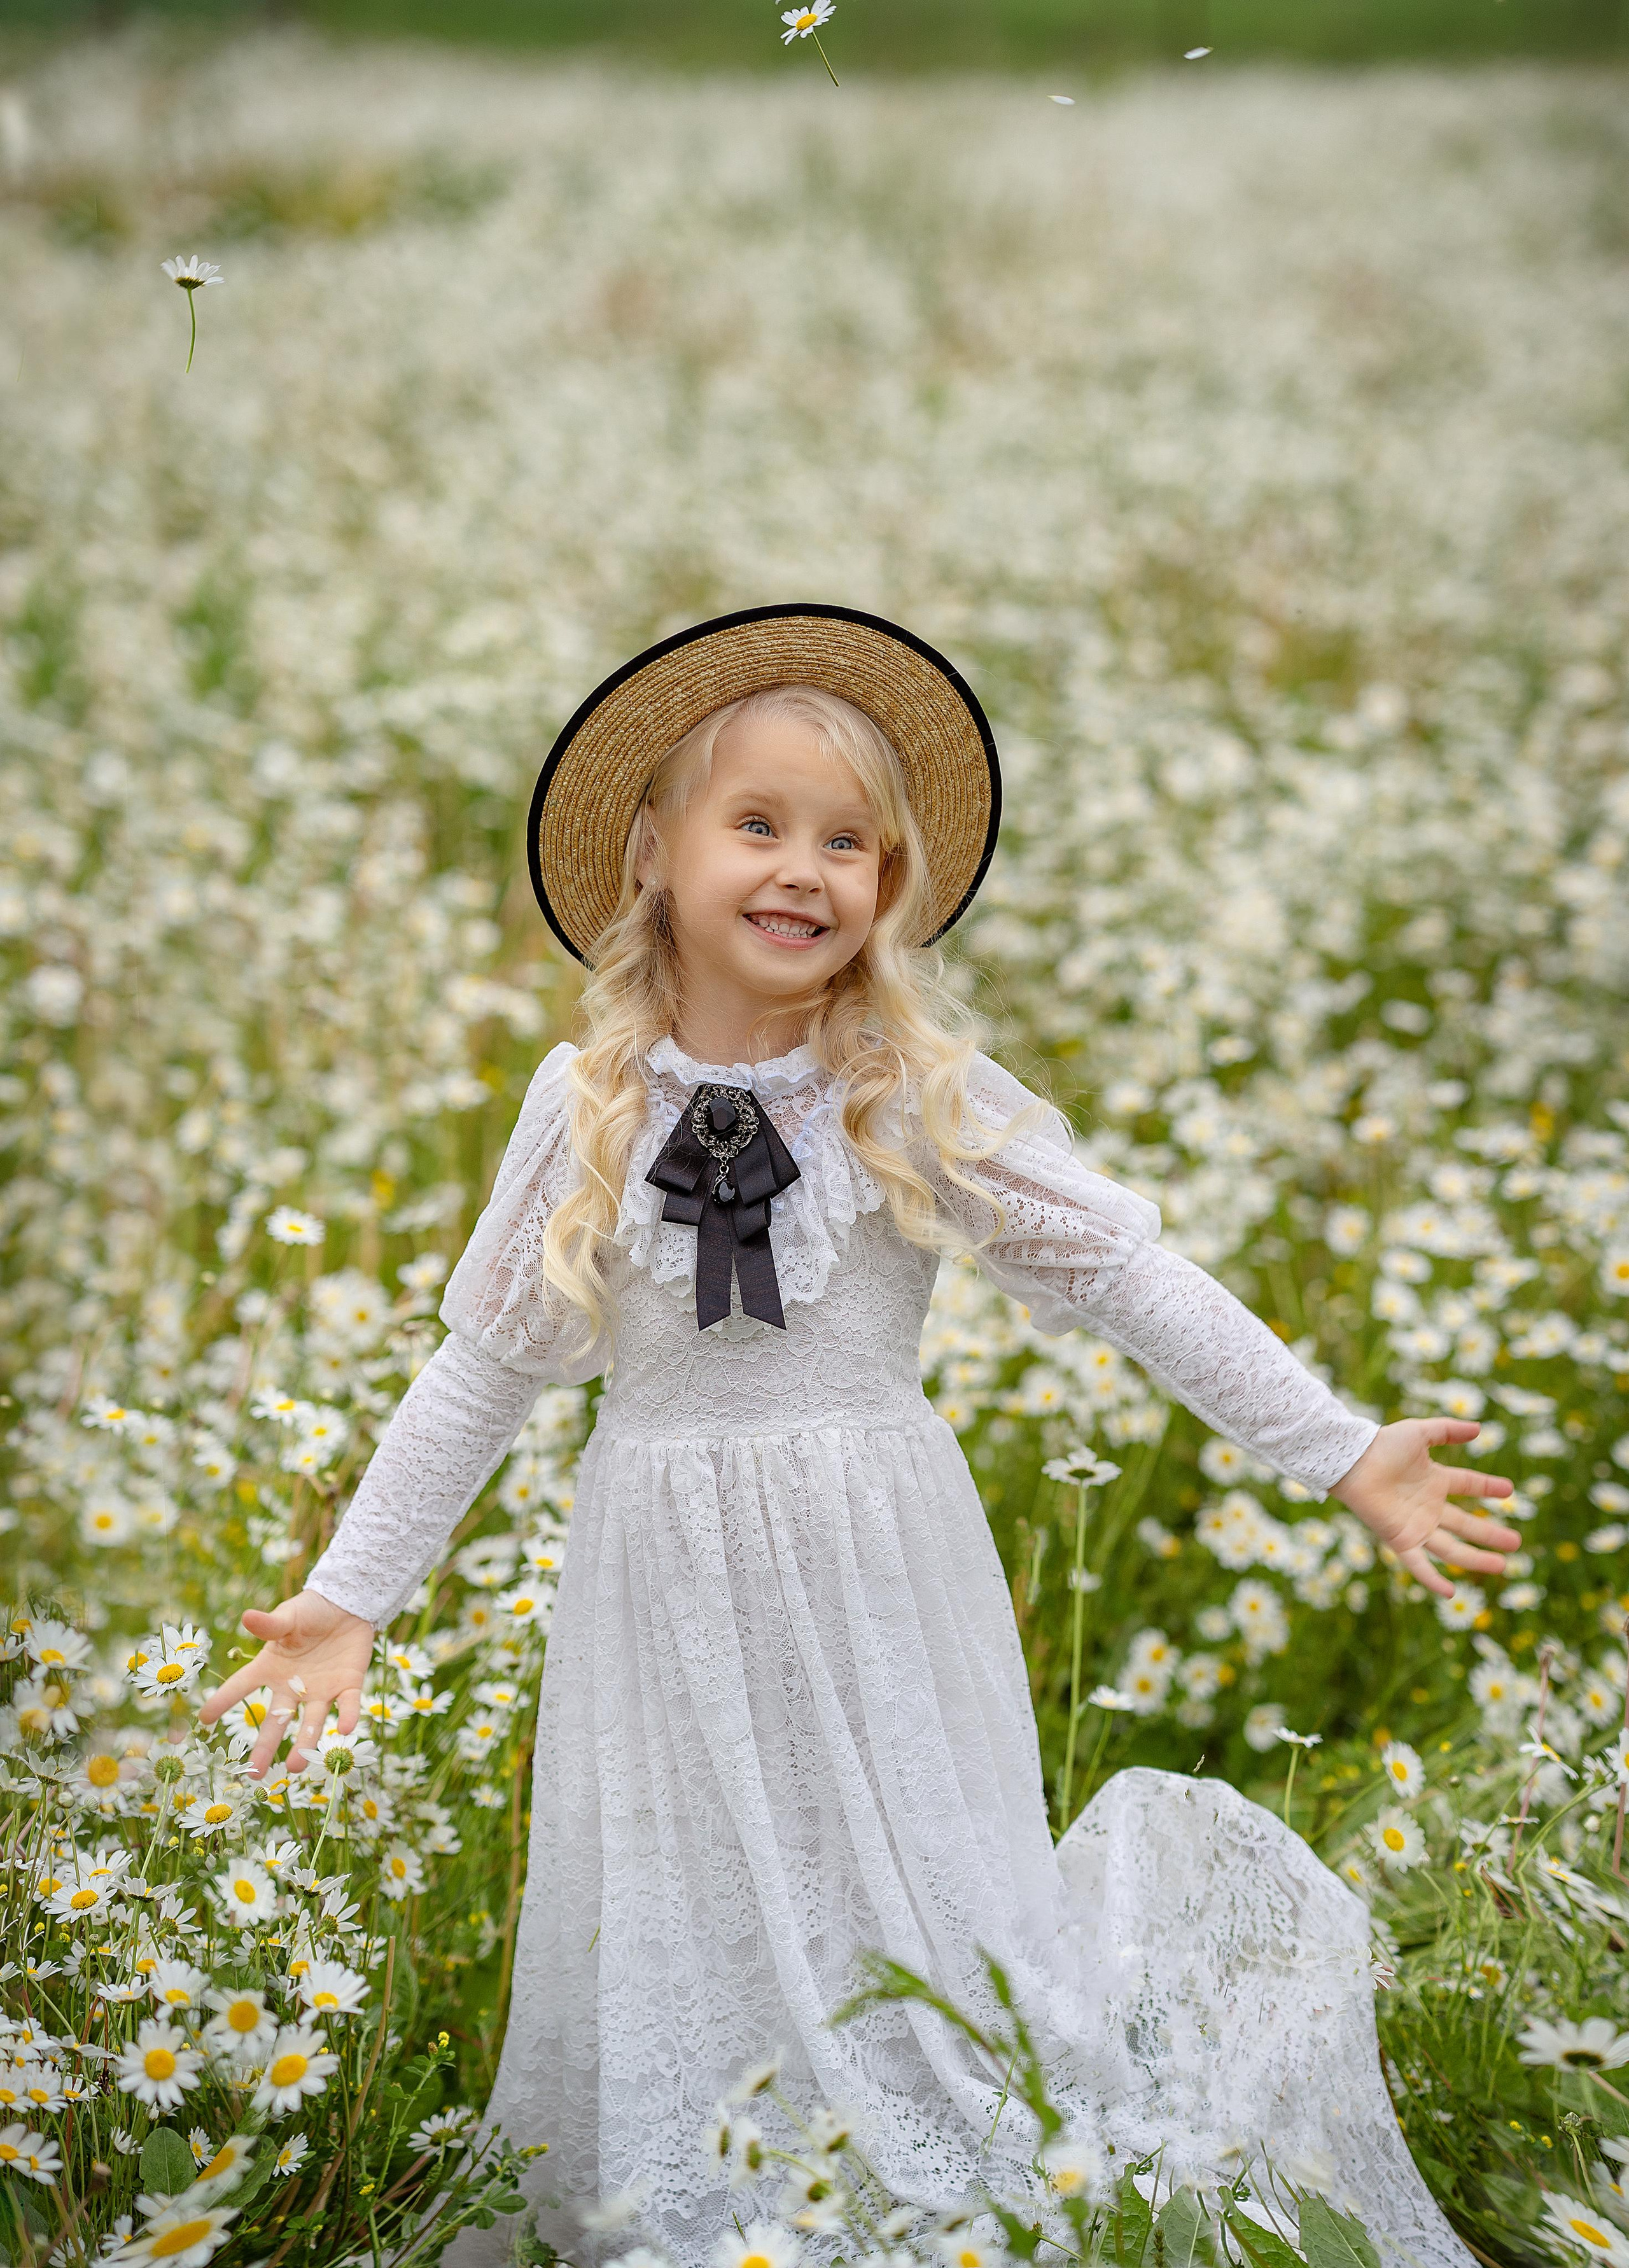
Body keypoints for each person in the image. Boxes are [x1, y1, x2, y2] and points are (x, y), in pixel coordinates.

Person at [202, 605, 1517, 2268]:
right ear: (656, 846)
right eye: (761, 823)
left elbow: (1127, 1271)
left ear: (890, 891)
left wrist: (1339, 1448)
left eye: (853, 845)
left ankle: (939, 2132)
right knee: (690, 1873)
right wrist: (351, 1594)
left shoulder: (911, 1087)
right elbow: (482, 1370)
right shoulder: (584, 1101)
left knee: (904, 1858)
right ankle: (722, 2155)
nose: (806, 870)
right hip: (658, 1563)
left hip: (875, 1547)